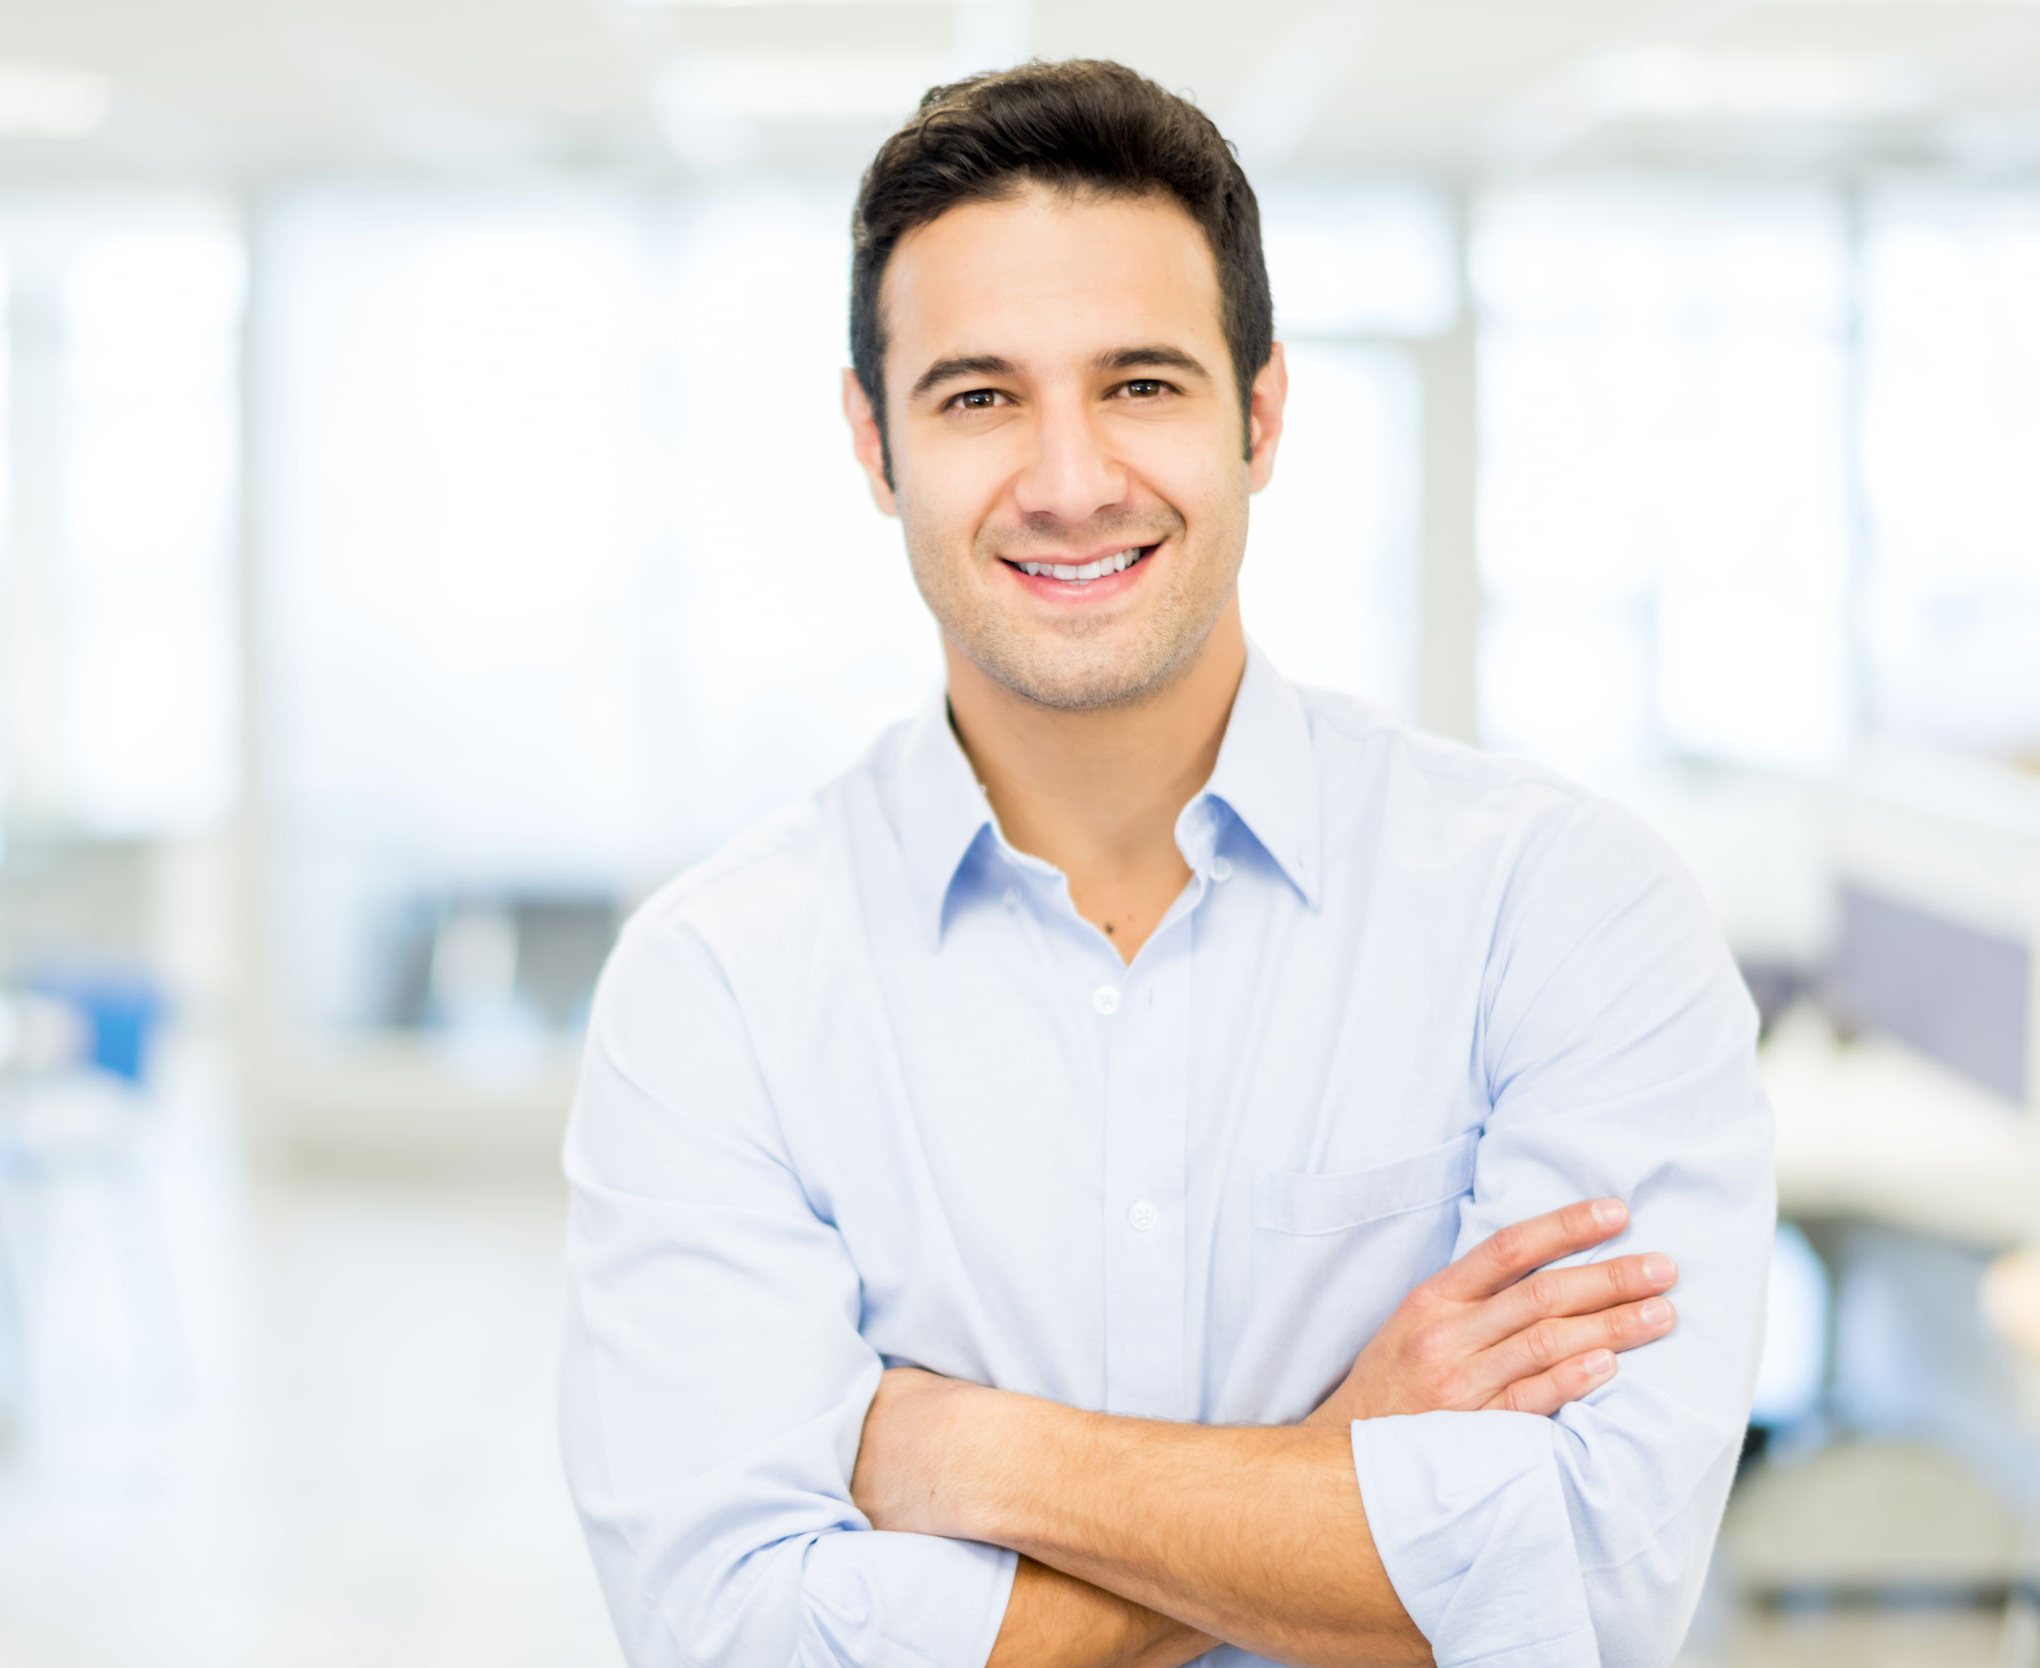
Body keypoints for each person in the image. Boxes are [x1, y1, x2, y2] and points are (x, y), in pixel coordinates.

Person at [559, 58, 1772, 1668]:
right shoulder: (716, 987)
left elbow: (1589, 1578)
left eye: (1140, 383)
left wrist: (973, 1455)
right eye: (979, 396)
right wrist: (1350, 1454)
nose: (1069, 482)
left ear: (1259, 412)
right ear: (873, 442)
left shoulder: (1560, 913)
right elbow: (744, 1636)